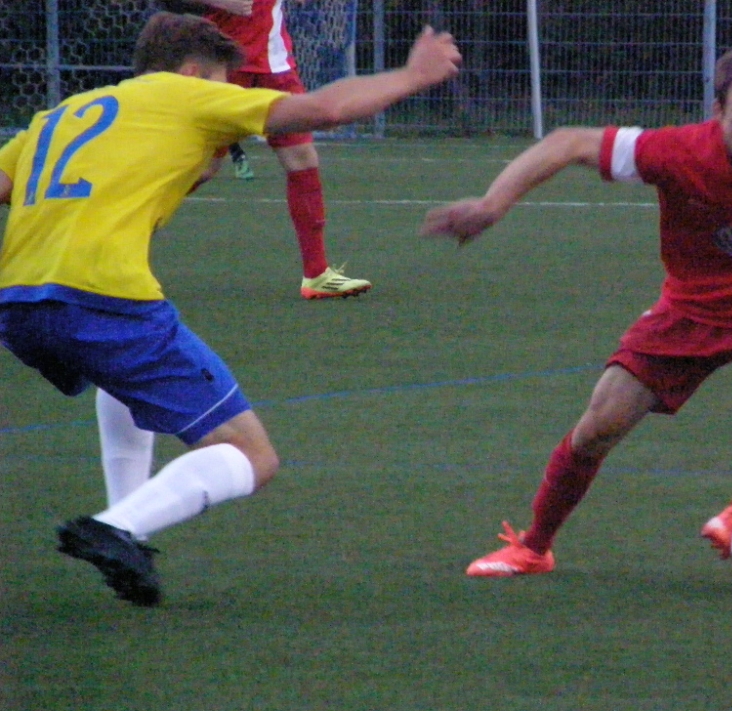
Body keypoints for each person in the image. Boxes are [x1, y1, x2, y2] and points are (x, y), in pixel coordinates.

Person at [0, 11, 461, 604]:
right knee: (252, 455)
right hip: (103, 297)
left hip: (19, 303)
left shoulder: (63, 115)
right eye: (225, 82)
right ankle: (117, 528)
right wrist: (412, 75)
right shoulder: (188, 95)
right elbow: (323, 110)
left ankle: (127, 529)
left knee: (120, 376)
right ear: (196, 73)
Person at [421, 45, 732, 577]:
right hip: (691, 310)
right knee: (599, 427)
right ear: (717, 112)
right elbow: (569, 141)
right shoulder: (678, 151)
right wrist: (492, 204)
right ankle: (534, 547)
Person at [163, 0, 371, 299]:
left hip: (275, 68)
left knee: (302, 158)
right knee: (204, 168)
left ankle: (317, 274)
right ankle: (116, 223)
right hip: (225, 67)